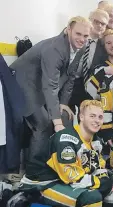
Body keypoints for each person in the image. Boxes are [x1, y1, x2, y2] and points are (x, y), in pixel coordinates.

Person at [20, 100, 113, 207]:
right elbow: (71, 176)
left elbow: (97, 166)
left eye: (100, 117)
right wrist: (100, 183)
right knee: (92, 197)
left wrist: (106, 179)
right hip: (43, 183)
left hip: (64, 179)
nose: (97, 120)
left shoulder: (95, 140)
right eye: (92, 116)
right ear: (81, 117)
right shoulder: (65, 140)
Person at [10, 16, 91, 176]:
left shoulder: (81, 47)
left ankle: (55, 165)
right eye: (78, 34)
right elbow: (50, 85)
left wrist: (63, 103)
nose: (82, 39)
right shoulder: (55, 48)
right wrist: (56, 122)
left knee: (64, 115)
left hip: (41, 85)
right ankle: (33, 173)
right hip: (22, 84)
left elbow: (71, 77)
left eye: (86, 36)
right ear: (68, 30)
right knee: (43, 124)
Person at [85, 29, 113, 143]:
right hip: (110, 128)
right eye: (108, 43)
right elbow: (89, 92)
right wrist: (102, 73)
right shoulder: (99, 69)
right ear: (104, 47)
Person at [69, 9, 109, 114]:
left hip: (91, 86)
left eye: (103, 24)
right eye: (96, 22)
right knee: (67, 115)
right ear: (89, 21)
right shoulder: (77, 38)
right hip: (71, 83)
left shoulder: (104, 46)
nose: (100, 25)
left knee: (88, 116)